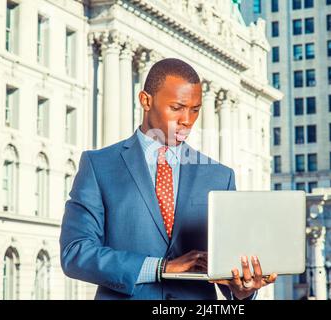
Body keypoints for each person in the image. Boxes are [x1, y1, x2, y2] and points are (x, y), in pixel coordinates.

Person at [60, 58, 277, 300]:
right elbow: (75, 253)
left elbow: (228, 266)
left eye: (195, 109)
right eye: (177, 108)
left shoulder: (219, 177)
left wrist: (243, 291)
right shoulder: (99, 165)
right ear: (146, 100)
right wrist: (160, 268)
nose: (187, 120)